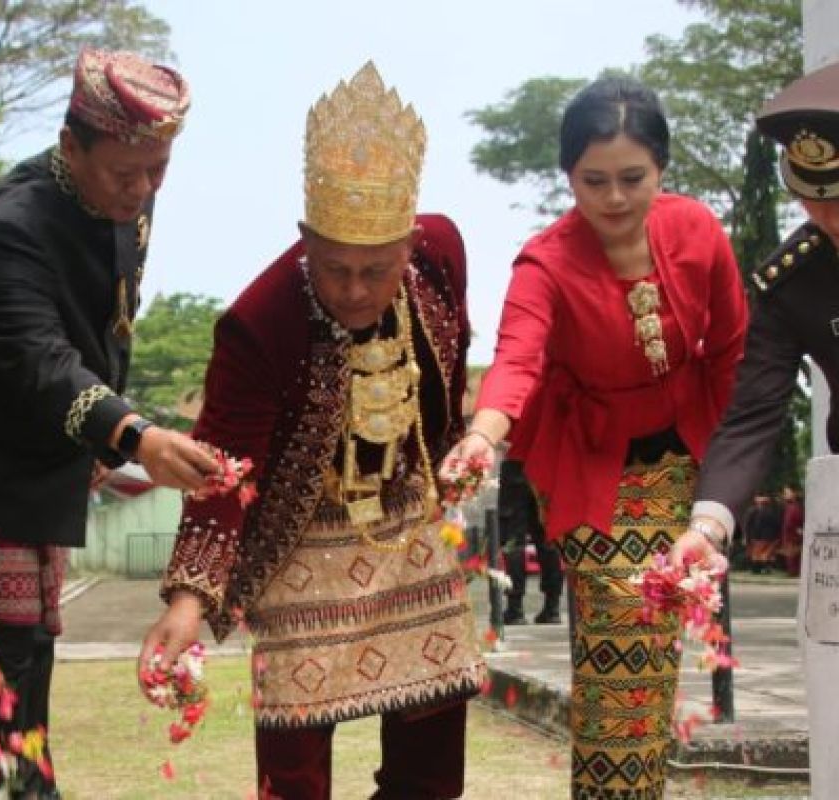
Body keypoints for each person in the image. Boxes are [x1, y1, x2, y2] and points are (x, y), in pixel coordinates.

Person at [141, 63, 485, 800]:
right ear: (304, 241)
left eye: (377, 269)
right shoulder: (259, 322)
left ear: (409, 242)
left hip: (406, 531)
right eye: (335, 270)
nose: (356, 291)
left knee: (432, 759)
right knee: (293, 770)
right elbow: (222, 466)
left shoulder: (442, 251)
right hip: (298, 546)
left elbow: (450, 374)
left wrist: (461, 445)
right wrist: (189, 601)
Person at [0, 48, 212, 799]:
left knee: (34, 637)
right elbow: (41, 361)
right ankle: (9, 789)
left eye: (157, 171)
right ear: (71, 146)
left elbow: (110, 324)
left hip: (44, 445)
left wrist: (103, 434)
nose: (141, 191)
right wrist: (134, 435)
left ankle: (32, 788)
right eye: (125, 173)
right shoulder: (12, 226)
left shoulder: (126, 190)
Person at [442, 76, 747, 799]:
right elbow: (518, 357)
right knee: (625, 636)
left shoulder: (698, 232)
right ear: (568, 176)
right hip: (593, 468)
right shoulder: (545, 261)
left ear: (663, 169)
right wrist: (485, 435)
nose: (614, 199)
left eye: (633, 178)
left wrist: (731, 476)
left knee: (649, 656)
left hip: (682, 458)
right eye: (593, 180)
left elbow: (735, 350)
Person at [671, 60, 839, 575]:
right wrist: (708, 526)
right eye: (812, 201)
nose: (828, 220)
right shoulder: (793, 282)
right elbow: (752, 416)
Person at [499, 458, 564, 625]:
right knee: (548, 538)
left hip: (515, 462)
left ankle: (515, 609)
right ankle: (552, 607)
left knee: (513, 540)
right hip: (547, 461)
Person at [742, 493, 782, 574]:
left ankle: (758, 569)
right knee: (760, 554)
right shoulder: (757, 511)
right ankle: (760, 569)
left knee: (761, 554)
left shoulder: (758, 511)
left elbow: (749, 524)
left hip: (761, 536)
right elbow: (748, 524)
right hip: (761, 536)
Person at [781, 486, 804, 577]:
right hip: (788, 534)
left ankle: (794, 571)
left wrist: (797, 530)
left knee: (793, 553)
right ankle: (792, 570)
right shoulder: (789, 507)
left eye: (787, 493)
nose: (785, 496)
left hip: (793, 534)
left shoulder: (796, 507)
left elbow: (796, 521)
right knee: (790, 553)